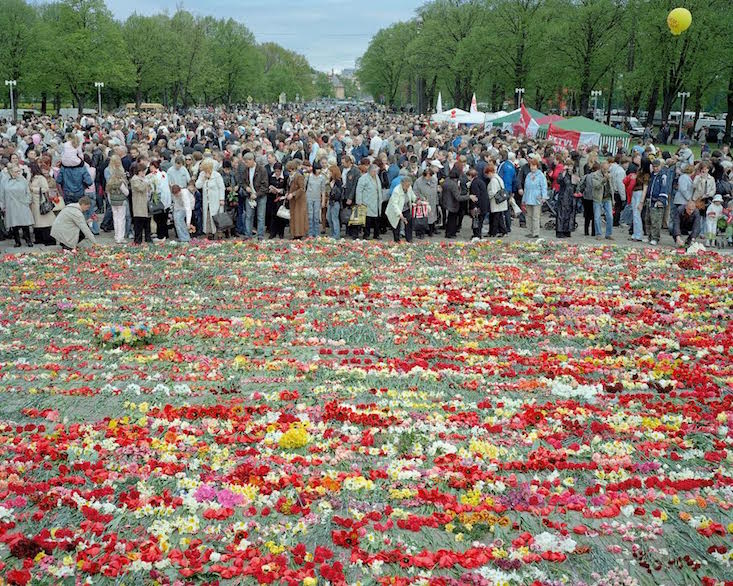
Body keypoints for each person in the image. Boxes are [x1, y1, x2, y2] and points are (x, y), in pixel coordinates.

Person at [0, 163, 34, 247]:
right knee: (14, 223)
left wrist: (27, 201)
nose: (18, 173)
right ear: (11, 172)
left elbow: (28, 192)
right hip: (11, 204)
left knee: (24, 223)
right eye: (16, 171)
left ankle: (28, 239)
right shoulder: (5, 181)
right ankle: (17, 241)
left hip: (22, 204)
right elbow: (2, 193)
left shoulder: (23, 180)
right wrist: (2, 205)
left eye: (19, 171)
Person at [195, 159, 225, 239]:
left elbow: (221, 187)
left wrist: (222, 199)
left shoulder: (217, 175)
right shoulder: (202, 174)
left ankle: (219, 232)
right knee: (208, 215)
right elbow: (198, 185)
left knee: (216, 216)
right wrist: (203, 179)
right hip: (206, 200)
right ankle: (209, 233)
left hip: (216, 199)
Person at [29, 161, 55, 245]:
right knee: (37, 222)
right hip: (34, 202)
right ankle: (39, 238)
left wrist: (34, 189)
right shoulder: (31, 178)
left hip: (40, 202)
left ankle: (48, 239)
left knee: (44, 221)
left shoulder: (40, 178)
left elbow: (45, 188)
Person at [645, 159, 671, 245]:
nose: (655, 168)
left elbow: (664, 188)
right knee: (648, 220)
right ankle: (649, 236)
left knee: (656, 221)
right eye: (654, 167)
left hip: (657, 201)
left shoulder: (663, 176)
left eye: (657, 166)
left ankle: (655, 238)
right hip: (650, 200)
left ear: (660, 166)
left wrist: (661, 200)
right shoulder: (652, 175)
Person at [105, 155, 130, 244]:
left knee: (115, 218)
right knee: (121, 219)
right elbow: (126, 193)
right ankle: (121, 237)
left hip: (113, 202)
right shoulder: (120, 183)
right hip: (121, 202)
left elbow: (108, 193)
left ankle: (116, 236)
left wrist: (110, 201)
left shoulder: (109, 183)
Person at [356, 164, 383, 240]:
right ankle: (366, 234)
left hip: (376, 201)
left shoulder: (377, 177)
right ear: (370, 171)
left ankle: (376, 234)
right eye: (374, 171)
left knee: (377, 219)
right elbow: (359, 190)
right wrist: (359, 201)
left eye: (376, 172)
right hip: (367, 201)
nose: (376, 173)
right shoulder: (363, 178)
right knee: (367, 220)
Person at [146, 160, 172, 241]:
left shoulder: (153, 176)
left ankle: (161, 235)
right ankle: (165, 234)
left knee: (158, 218)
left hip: (159, 199)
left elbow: (154, 188)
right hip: (166, 198)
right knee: (164, 218)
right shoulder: (164, 173)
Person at [522, 158, 547, 239]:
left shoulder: (541, 175)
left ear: (537, 166)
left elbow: (544, 187)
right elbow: (525, 188)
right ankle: (530, 231)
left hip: (537, 198)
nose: (532, 167)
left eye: (534, 166)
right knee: (529, 216)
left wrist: (544, 196)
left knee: (535, 216)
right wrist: (524, 199)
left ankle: (536, 232)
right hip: (528, 197)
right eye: (531, 166)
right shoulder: (528, 175)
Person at [386, 175, 416, 242]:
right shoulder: (396, 190)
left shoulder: (409, 187)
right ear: (402, 184)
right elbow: (395, 204)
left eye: (409, 185)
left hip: (405, 207)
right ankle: (397, 240)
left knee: (409, 221)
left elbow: (412, 195)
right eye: (406, 185)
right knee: (396, 224)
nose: (408, 187)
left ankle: (409, 239)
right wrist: (400, 214)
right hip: (396, 209)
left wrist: (416, 200)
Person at [130, 163, 152, 244]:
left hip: (146, 203)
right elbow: (141, 188)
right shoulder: (134, 179)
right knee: (138, 223)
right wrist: (146, 182)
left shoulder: (144, 178)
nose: (144, 173)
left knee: (147, 222)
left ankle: (148, 238)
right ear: (139, 171)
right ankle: (137, 240)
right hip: (139, 204)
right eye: (143, 171)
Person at [591, 160, 614, 241]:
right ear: (601, 168)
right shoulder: (595, 175)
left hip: (607, 198)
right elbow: (596, 186)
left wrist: (613, 198)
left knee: (610, 216)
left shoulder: (610, 174)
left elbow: (612, 187)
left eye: (607, 169)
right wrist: (604, 180)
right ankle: (599, 233)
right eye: (604, 169)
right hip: (598, 198)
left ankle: (608, 234)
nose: (606, 171)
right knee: (597, 217)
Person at [414, 166, 439, 236]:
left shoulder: (434, 180)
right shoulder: (418, 182)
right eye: (427, 177)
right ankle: (421, 232)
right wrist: (421, 198)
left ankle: (430, 231)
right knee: (422, 217)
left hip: (432, 201)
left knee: (432, 216)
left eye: (430, 176)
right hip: (423, 202)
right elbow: (415, 192)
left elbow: (436, 189)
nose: (429, 178)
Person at [305, 161, 327, 238]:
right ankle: (310, 232)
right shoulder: (308, 176)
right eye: (317, 169)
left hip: (317, 198)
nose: (319, 171)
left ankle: (316, 232)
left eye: (320, 169)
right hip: (309, 198)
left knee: (316, 216)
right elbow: (305, 188)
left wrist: (323, 200)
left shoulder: (322, 178)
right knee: (310, 216)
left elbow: (323, 190)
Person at [442, 167, 466, 239]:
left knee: (450, 218)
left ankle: (448, 232)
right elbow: (458, 197)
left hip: (446, 202)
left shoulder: (446, 181)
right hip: (453, 204)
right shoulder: (453, 184)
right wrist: (468, 196)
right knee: (452, 219)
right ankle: (451, 233)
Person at [286, 160, 307, 240]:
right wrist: (288, 193)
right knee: (293, 216)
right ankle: (294, 234)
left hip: (299, 200)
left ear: (293, 169)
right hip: (293, 201)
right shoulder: (290, 177)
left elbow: (302, 188)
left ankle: (299, 234)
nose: (289, 172)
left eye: (290, 170)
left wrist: (293, 194)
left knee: (299, 217)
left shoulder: (299, 176)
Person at [555, 161, 576, 239]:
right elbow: (559, 181)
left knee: (570, 214)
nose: (570, 168)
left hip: (571, 196)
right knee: (561, 214)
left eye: (571, 166)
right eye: (568, 166)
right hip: (563, 196)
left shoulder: (573, 174)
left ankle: (567, 230)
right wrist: (563, 172)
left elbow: (576, 184)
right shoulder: (562, 174)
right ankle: (560, 231)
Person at [486, 164, 508, 237]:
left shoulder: (493, 180)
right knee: (499, 217)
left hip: (496, 202)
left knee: (496, 217)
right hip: (501, 201)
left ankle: (493, 232)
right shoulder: (498, 178)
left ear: (490, 173)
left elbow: (493, 192)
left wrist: (487, 196)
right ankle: (503, 231)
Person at [268, 162, 288, 239]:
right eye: (275, 171)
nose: (277, 173)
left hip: (281, 199)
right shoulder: (271, 175)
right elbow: (268, 184)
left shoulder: (285, 176)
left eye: (278, 171)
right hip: (272, 198)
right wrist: (270, 189)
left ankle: (281, 233)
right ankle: (273, 232)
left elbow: (286, 188)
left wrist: (281, 191)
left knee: (281, 215)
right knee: (273, 216)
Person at [326, 165, 343, 239]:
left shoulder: (338, 182)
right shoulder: (331, 181)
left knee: (334, 218)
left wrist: (332, 187)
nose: (328, 173)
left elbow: (338, 194)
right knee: (329, 217)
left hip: (335, 202)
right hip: (330, 202)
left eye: (330, 172)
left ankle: (336, 235)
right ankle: (333, 233)